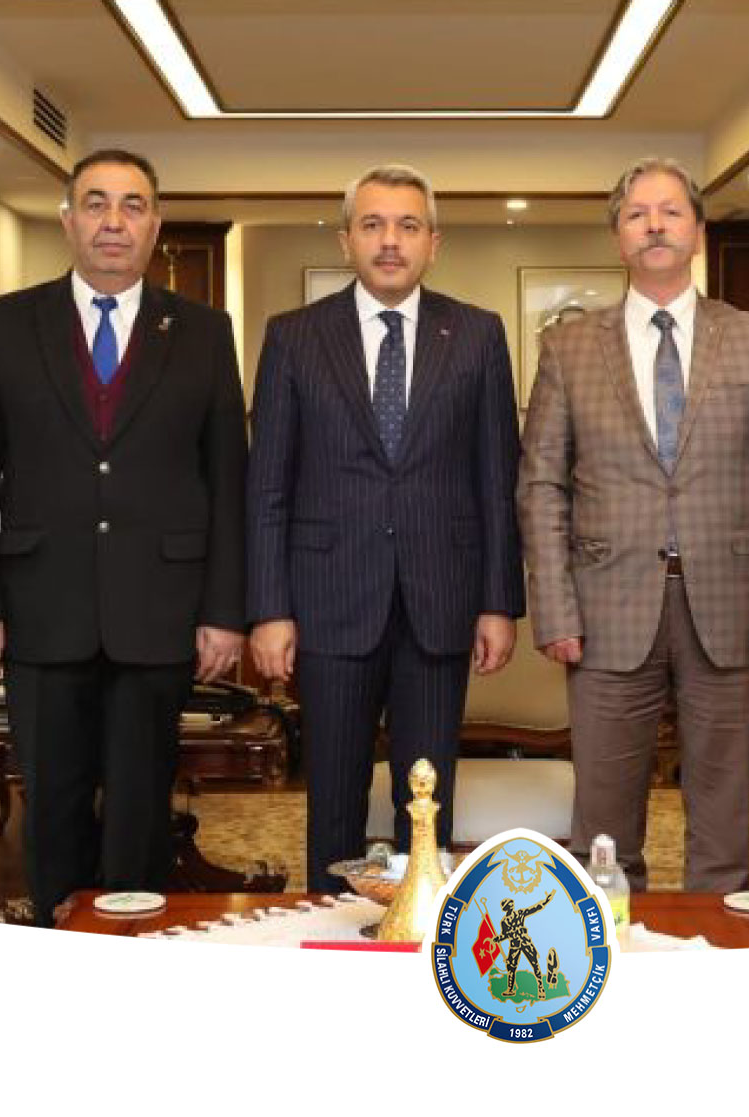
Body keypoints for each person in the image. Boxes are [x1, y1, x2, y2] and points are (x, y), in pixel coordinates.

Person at [0, 149, 247, 926]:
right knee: (52, 807)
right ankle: (61, 951)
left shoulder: (205, 332)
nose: (114, 221)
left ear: (155, 223)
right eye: (97, 203)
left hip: (160, 609)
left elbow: (228, 480)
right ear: (68, 219)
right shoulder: (5, 324)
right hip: (43, 607)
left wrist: (225, 611)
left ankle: (134, 949)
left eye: (133, 205)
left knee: (142, 810)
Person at [517, 156, 749, 893]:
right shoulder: (569, 347)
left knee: (723, 820)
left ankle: (712, 953)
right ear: (618, 236)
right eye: (637, 214)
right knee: (603, 830)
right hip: (604, 612)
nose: (654, 225)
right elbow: (541, 485)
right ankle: (610, 950)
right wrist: (554, 609)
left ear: (698, 231)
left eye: (670, 211)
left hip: (731, 607)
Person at [246, 164, 524, 893]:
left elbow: (498, 480)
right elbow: (268, 484)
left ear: (434, 242)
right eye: (372, 225)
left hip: (440, 602)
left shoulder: (477, 334)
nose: (390, 241)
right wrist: (269, 609)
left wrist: (498, 602)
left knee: (425, 804)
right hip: (329, 600)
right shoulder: (295, 337)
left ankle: (423, 938)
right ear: (347, 240)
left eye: (407, 226)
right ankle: (330, 932)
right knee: (333, 798)